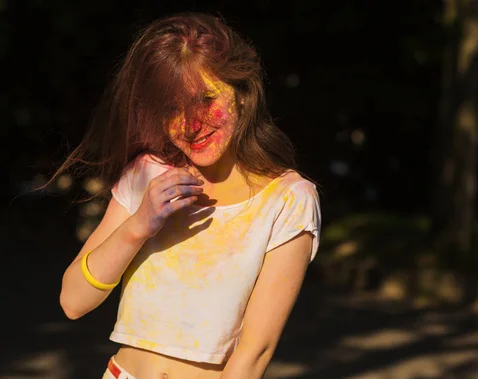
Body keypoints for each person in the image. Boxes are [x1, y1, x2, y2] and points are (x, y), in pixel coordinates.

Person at [52, 12, 321, 379]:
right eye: (171, 108)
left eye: (206, 99)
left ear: (243, 94)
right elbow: (73, 301)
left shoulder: (289, 200)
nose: (191, 125)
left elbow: (254, 355)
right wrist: (139, 225)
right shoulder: (148, 172)